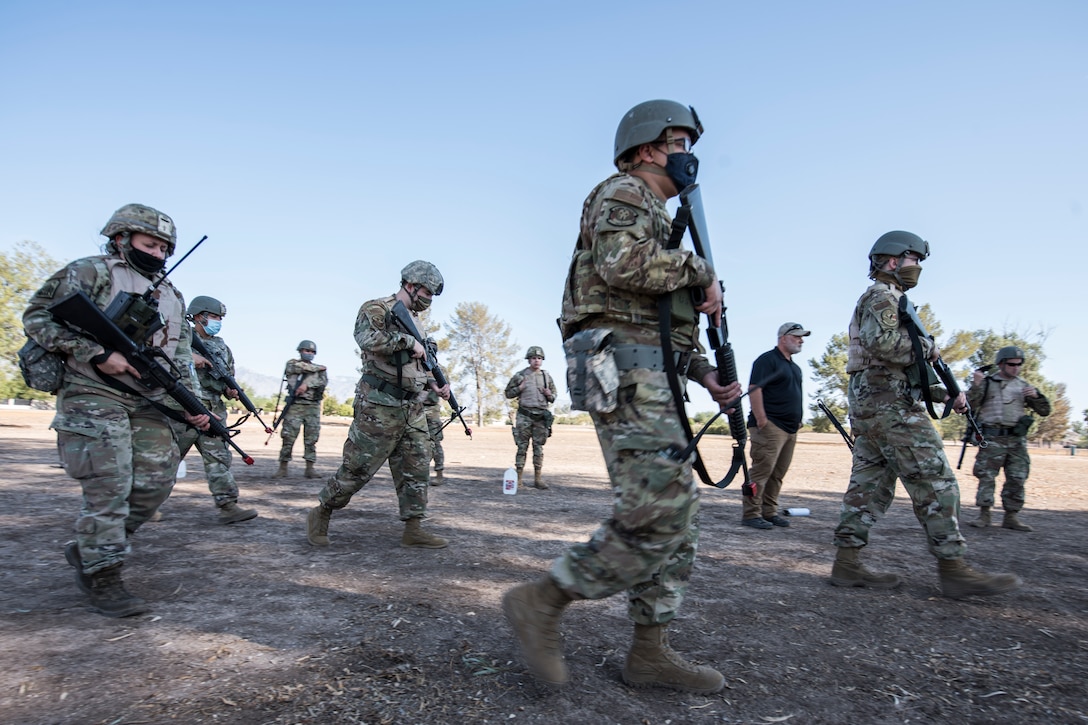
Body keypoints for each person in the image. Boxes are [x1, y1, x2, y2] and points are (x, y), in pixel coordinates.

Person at [503, 100, 741, 693]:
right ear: (645, 149)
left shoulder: (660, 217)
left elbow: (653, 321)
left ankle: (649, 651)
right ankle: (544, 599)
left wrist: (702, 371)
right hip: (621, 368)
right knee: (661, 508)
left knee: (677, 515)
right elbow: (621, 267)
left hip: (649, 369)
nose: (689, 156)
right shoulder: (624, 192)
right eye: (679, 142)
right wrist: (699, 271)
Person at [23, 203, 211, 617]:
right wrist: (97, 352)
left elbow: (179, 361)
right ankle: (102, 573)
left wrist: (195, 408)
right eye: (150, 244)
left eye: (165, 248)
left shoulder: (172, 296)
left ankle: (91, 546)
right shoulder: (91, 272)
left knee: (156, 480)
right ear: (121, 238)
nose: (158, 254)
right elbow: (36, 317)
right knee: (110, 482)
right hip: (91, 390)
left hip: (146, 400)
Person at [830, 230, 1022, 599]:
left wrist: (944, 392)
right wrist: (926, 347)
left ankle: (847, 562)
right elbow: (883, 345)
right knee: (936, 480)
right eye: (914, 260)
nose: (917, 268)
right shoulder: (882, 296)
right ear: (892, 261)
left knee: (869, 485)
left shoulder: (891, 298)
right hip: (890, 407)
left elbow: (897, 366)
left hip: (874, 404)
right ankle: (954, 568)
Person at [306, 261, 451, 549]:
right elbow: (367, 339)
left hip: (412, 407)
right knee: (358, 468)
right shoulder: (377, 308)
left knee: (418, 465)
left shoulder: (414, 319)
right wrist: (407, 342)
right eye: (427, 293)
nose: (428, 300)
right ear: (410, 285)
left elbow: (415, 364)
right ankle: (322, 511)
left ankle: (413, 528)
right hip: (379, 405)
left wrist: (434, 382)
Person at [172, 295, 258, 524]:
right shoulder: (180, 339)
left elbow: (227, 376)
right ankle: (143, 504)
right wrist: (192, 358)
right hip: (184, 406)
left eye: (220, 318)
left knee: (219, 457)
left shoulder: (222, 347)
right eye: (214, 317)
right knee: (166, 459)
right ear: (199, 317)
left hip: (214, 409)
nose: (218, 321)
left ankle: (228, 506)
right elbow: (165, 357)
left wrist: (230, 391)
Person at [966, 346, 1051, 532]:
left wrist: (1036, 397)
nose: (1016, 368)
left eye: (1019, 365)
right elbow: (969, 405)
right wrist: (976, 385)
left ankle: (1011, 516)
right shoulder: (987, 383)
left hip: (1016, 440)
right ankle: (984, 514)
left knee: (1017, 477)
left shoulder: (1023, 386)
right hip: (992, 438)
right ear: (1001, 364)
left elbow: (1045, 411)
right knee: (986, 477)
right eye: (1012, 364)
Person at [741, 322, 809, 529]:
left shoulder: (794, 368)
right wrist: (762, 420)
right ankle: (751, 514)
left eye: (802, 337)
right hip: (771, 426)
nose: (801, 340)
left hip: (790, 429)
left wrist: (798, 420)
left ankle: (769, 512)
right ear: (783, 338)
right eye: (797, 336)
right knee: (762, 471)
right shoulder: (767, 360)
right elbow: (754, 389)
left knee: (778, 473)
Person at [504, 346, 556, 489]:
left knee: (538, 448)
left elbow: (553, 397)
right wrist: (519, 389)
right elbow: (508, 393)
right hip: (524, 415)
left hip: (541, 417)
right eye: (533, 358)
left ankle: (537, 479)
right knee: (522, 447)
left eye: (539, 358)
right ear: (528, 360)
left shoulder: (546, 377)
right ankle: (519, 479)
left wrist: (548, 394)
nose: (536, 361)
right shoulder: (520, 376)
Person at [274, 340, 327, 479]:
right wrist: (317, 369)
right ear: (300, 351)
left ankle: (310, 468)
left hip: (312, 406)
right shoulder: (292, 364)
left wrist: (306, 385)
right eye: (306, 351)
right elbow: (298, 368)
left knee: (311, 437)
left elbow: (322, 381)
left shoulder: (320, 370)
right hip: (295, 405)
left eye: (311, 352)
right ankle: (283, 467)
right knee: (288, 436)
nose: (308, 354)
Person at [422, 361, 446, 486]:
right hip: (413, 407)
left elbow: (445, 386)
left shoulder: (439, 369)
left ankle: (439, 474)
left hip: (432, 409)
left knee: (435, 442)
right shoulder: (414, 365)